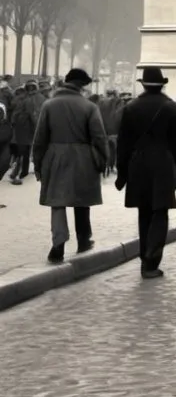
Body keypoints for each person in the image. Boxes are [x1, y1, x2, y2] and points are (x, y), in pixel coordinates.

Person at [115, 67, 176, 278]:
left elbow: (123, 144)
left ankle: (143, 258)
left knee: (144, 212)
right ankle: (152, 260)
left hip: (138, 163)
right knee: (160, 212)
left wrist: (122, 173)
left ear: (143, 84)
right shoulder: (172, 108)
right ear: (162, 84)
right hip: (162, 163)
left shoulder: (131, 108)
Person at [31, 68, 107, 264]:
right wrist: (103, 160)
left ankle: (58, 245)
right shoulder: (89, 107)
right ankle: (84, 239)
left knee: (57, 201)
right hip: (83, 157)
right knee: (82, 201)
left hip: (54, 156)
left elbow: (40, 139)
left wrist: (38, 163)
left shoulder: (49, 105)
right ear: (82, 86)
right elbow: (99, 137)